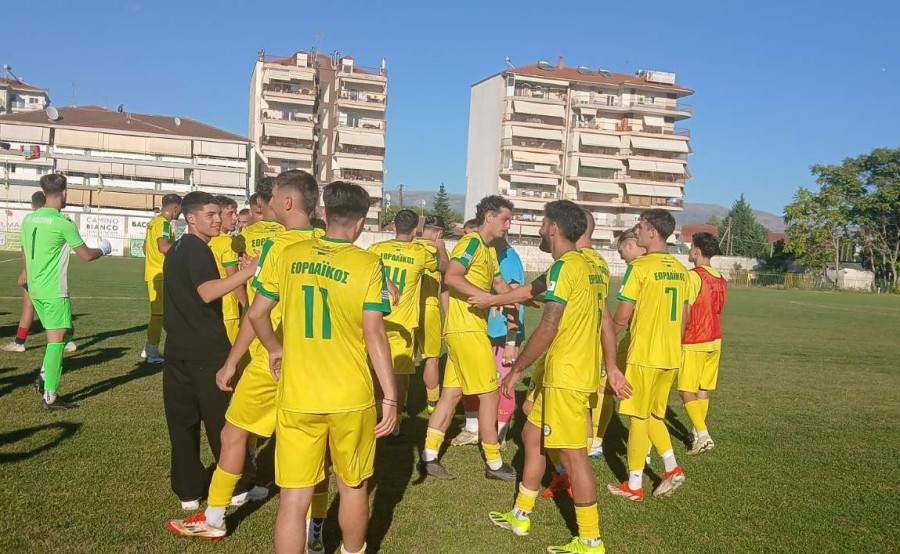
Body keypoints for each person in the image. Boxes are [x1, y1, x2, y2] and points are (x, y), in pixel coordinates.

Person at [166, 170, 322, 542]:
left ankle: (215, 516)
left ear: (285, 202)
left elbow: (258, 312)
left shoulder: (276, 247)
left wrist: (233, 360)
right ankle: (315, 529)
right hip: (319, 363)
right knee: (314, 447)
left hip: (272, 358)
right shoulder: (327, 243)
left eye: (272, 199)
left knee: (234, 434)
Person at [249, 181, 398, 554]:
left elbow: (256, 313)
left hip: (298, 394)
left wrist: (274, 349)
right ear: (361, 222)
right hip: (350, 396)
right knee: (353, 486)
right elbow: (375, 333)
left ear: (325, 214)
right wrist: (392, 396)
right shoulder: (367, 263)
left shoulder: (289, 253)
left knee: (293, 498)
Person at [488, 200, 629, 554]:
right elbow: (605, 323)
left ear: (553, 228)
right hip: (560, 373)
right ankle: (521, 513)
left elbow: (549, 325)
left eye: (542, 222)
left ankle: (590, 539)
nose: (538, 228)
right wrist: (610, 366)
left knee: (574, 456)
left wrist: (515, 368)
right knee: (531, 435)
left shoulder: (567, 266)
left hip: (566, 375)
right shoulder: (594, 265)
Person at [160, 191, 260, 514]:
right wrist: (248, 272)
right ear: (192, 219)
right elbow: (206, 292)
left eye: (220, 214)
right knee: (224, 423)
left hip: (177, 351)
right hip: (206, 351)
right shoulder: (196, 249)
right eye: (211, 215)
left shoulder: (175, 248)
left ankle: (188, 490)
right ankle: (238, 485)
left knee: (182, 423)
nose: (219, 220)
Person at [419, 195, 517, 482]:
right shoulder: (472, 242)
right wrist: (486, 298)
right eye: (505, 219)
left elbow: (499, 285)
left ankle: (429, 456)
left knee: (450, 395)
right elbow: (452, 276)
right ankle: (494, 463)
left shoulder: (488, 251)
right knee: (489, 394)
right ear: (489, 217)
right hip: (467, 331)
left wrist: (520, 295)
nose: (508, 225)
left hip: (465, 331)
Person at [608, 209, 689, 501]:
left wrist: (604, 340)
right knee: (654, 414)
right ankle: (671, 468)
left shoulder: (640, 268)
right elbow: (684, 316)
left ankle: (634, 484)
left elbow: (621, 317)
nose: (637, 231)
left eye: (640, 227)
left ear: (652, 232)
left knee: (638, 418)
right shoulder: (681, 270)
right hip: (670, 356)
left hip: (644, 354)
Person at [20, 174, 111, 409]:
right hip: (53, 290)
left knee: (68, 328)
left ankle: (44, 374)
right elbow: (86, 256)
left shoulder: (29, 219)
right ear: (64, 193)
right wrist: (103, 248)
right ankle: (49, 395)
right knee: (57, 341)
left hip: (36, 288)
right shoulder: (63, 223)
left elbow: (24, 249)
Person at [369, 210, 446, 430]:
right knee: (401, 375)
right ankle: (397, 419)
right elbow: (444, 268)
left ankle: (376, 412)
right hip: (403, 323)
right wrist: (440, 250)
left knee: (374, 368)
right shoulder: (419, 253)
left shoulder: (376, 249)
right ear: (415, 231)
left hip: (377, 319)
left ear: (393, 226)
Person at [452, 233, 524, 447]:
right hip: (485, 333)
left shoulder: (508, 259)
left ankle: (500, 433)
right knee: (478, 382)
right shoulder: (488, 254)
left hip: (503, 337)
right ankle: (474, 429)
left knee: (503, 385)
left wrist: (511, 342)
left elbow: (515, 300)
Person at [3, 191, 77, 354]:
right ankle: (21, 342)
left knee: (35, 306)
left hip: (45, 276)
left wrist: (25, 270)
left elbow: (25, 250)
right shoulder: (55, 221)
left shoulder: (34, 221)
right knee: (42, 306)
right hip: (44, 276)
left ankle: (66, 341)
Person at [678, 231, 728, 456]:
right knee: (702, 388)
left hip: (696, 339)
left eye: (691, 248)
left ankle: (703, 434)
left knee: (686, 390)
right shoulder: (720, 278)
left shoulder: (693, 276)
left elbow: (686, 308)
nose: (690, 252)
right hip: (715, 339)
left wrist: (678, 336)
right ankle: (697, 433)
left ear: (697, 251)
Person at [414, 214, 448, 414]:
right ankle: (432, 402)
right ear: (440, 233)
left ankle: (394, 405)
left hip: (405, 309)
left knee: (403, 360)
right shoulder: (439, 252)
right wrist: (448, 316)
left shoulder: (410, 246)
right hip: (429, 309)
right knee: (432, 358)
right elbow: (446, 285)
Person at [143, 193, 182, 364]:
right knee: (159, 315)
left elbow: (145, 248)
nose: (180, 213)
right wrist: (182, 248)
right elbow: (163, 246)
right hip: (161, 274)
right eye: (179, 210)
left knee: (158, 314)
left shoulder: (153, 222)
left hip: (152, 273)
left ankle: (148, 349)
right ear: (175, 208)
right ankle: (152, 353)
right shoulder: (164, 224)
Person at [208, 196, 247, 344]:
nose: (235, 218)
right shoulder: (226, 242)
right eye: (231, 213)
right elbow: (234, 279)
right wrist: (246, 305)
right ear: (218, 215)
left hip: (208, 306)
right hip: (228, 309)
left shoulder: (204, 239)